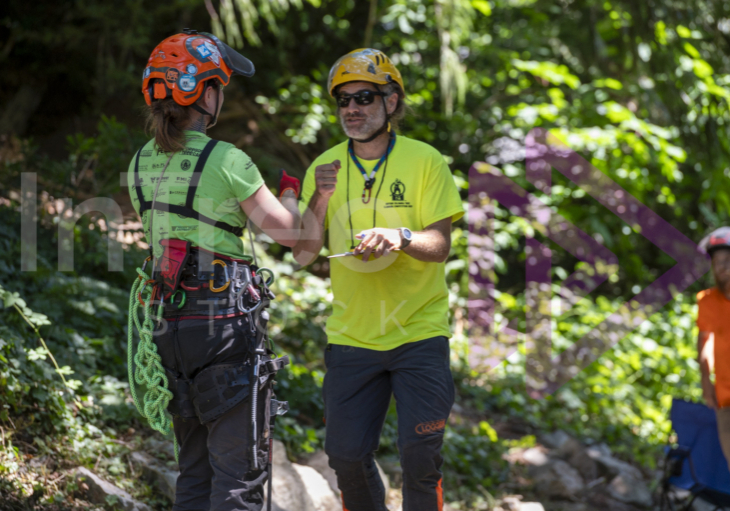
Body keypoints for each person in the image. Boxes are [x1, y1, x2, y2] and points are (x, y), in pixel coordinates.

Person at [128, 30, 301, 511]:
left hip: (169, 325)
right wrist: (292, 195)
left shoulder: (140, 161)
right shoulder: (227, 160)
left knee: (195, 474)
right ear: (205, 92)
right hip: (223, 324)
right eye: (219, 87)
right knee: (238, 476)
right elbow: (291, 234)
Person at [293, 49, 464, 511]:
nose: (352, 108)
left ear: (391, 102)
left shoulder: (425, 161)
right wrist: (320, 200)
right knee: (345, 458)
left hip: (419, 333)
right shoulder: (324, 167)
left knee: (420, 456)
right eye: (343, 100)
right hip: (353, 336)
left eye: (364, 97)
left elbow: (441, 247)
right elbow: (303, 253)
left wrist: (400, 237)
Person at [697, 226, 730, 470]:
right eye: (717, 261)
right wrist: (706, 385)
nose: (723, 266)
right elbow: (704, 342)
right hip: (725, 398)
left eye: (728, 259)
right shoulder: (708, 301)